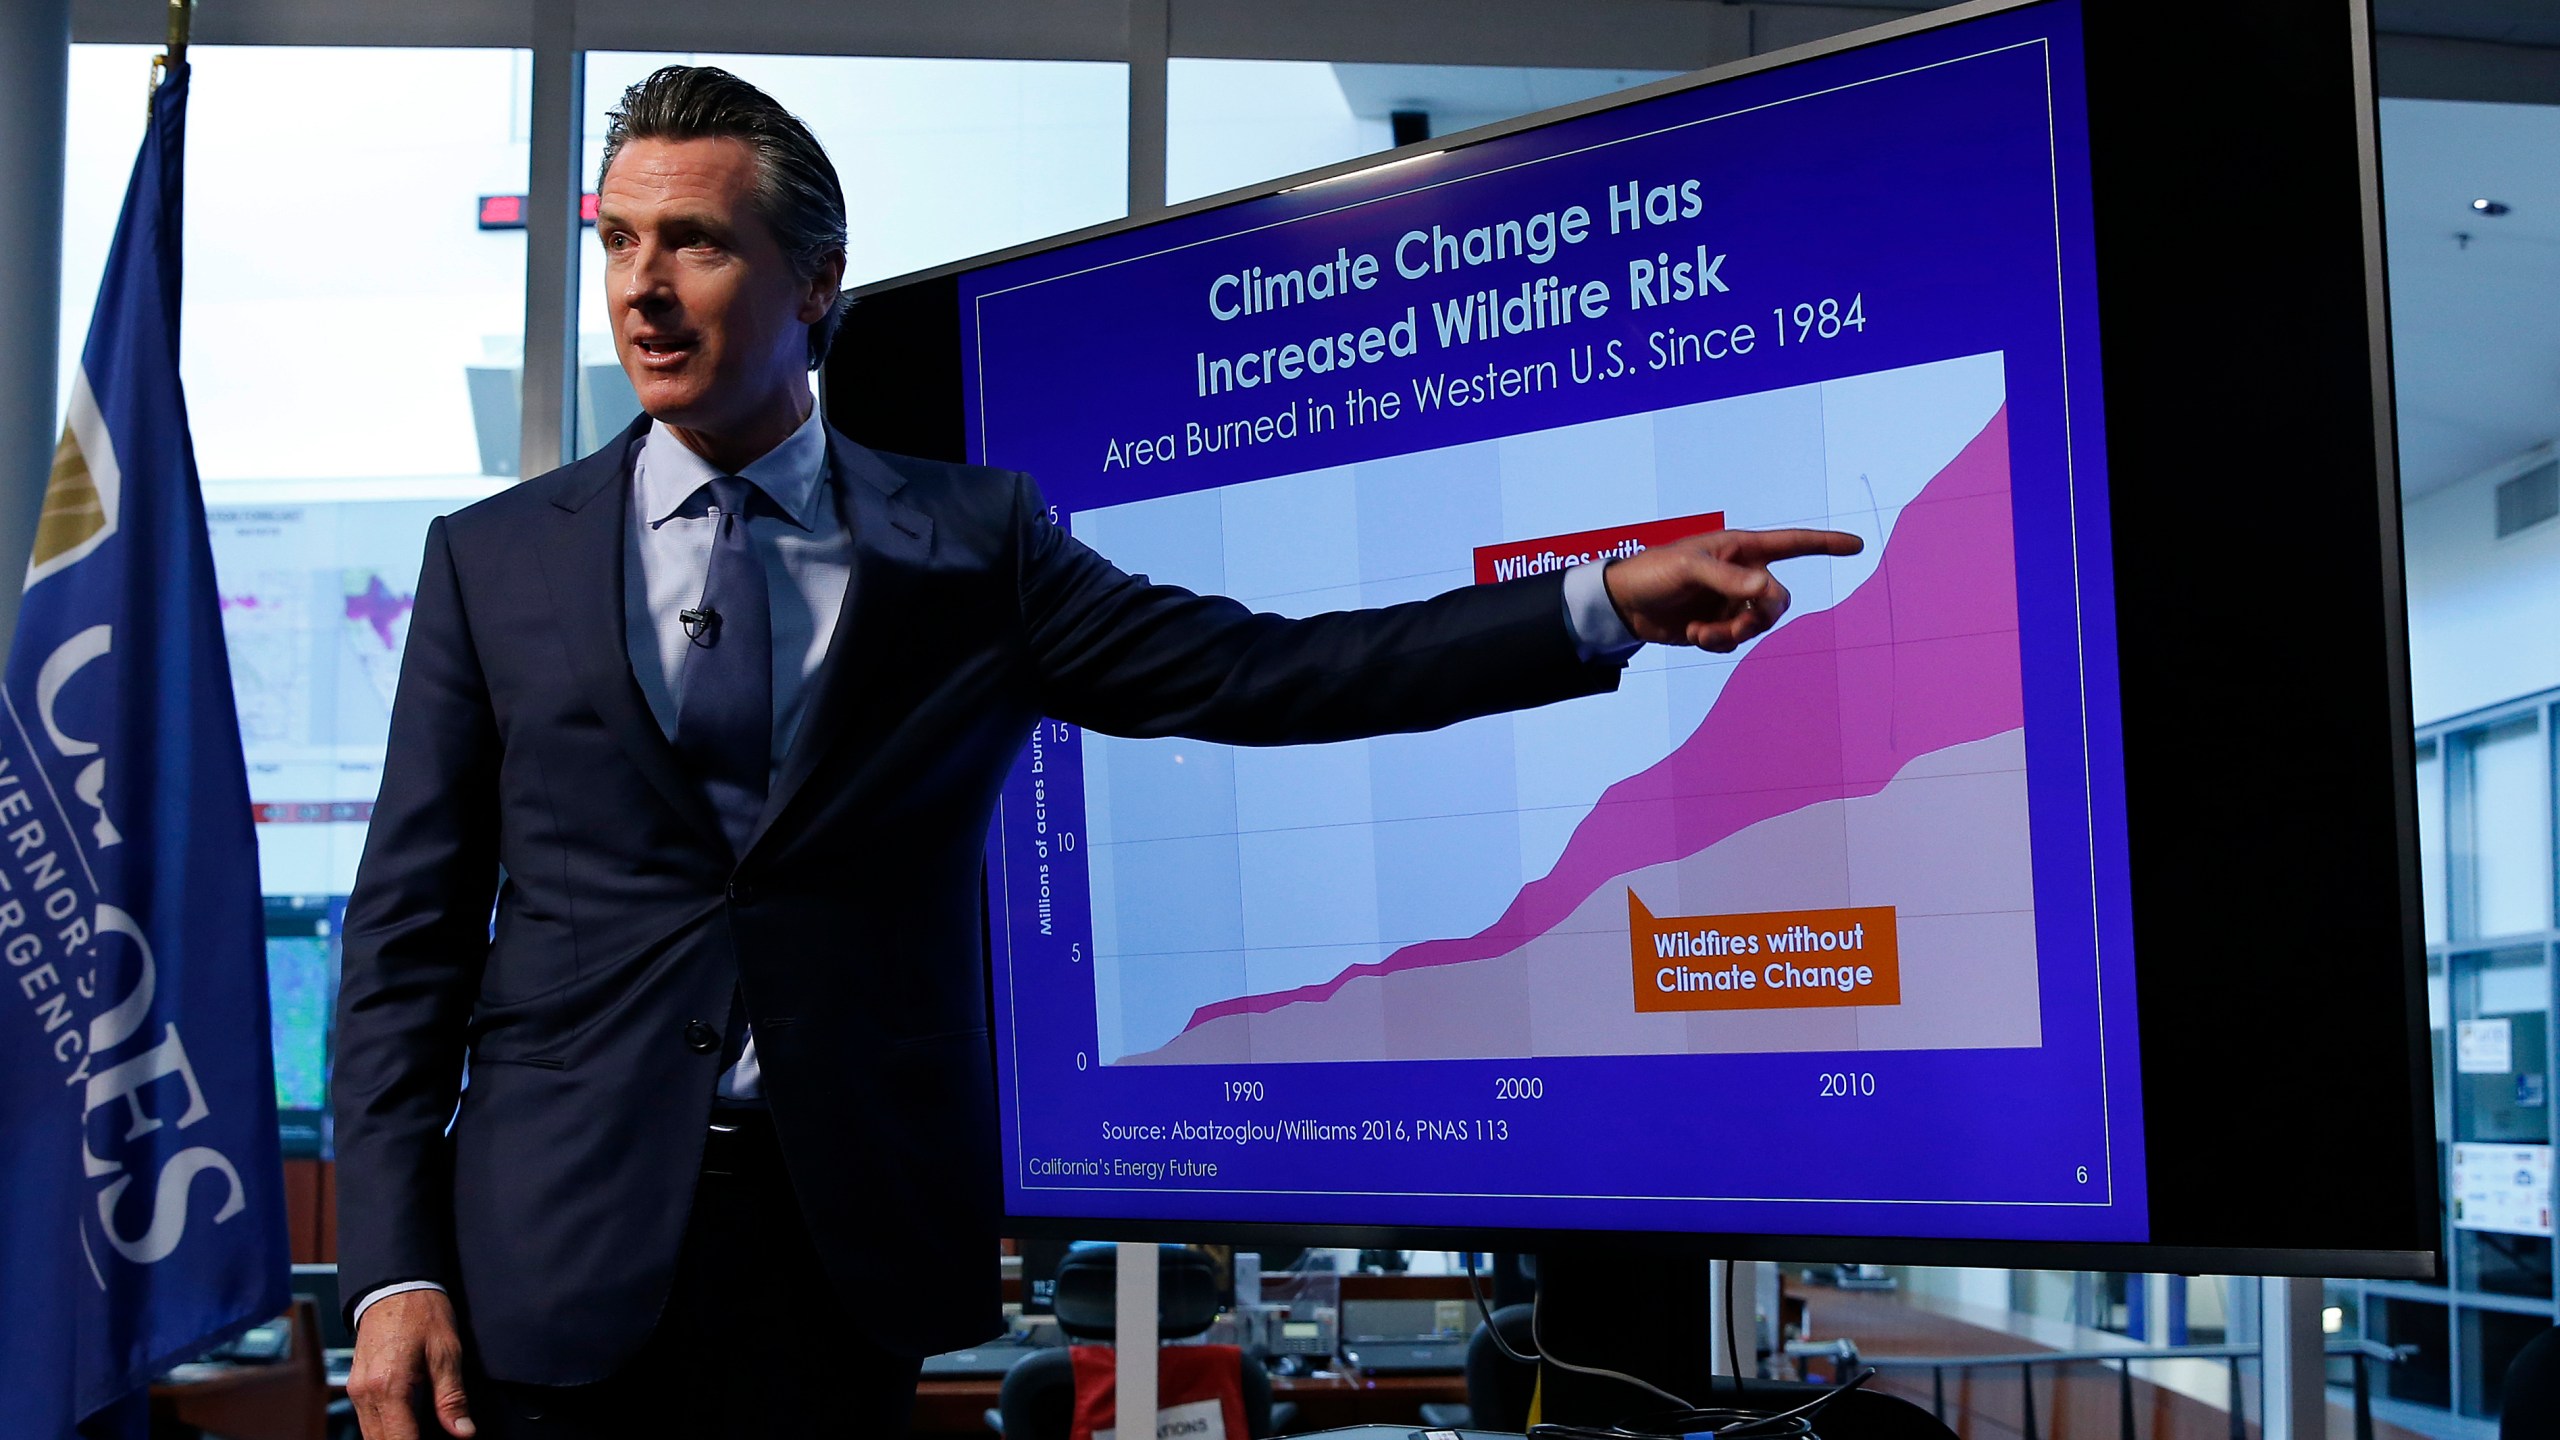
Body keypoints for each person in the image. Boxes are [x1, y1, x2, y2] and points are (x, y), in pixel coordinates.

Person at [335, 65, 1860, 1440]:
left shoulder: (970, 550)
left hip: (837, 1256)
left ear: (814, 283)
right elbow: (406, 941)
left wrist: (1595, 602)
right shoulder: (491, 564)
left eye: (697, 245)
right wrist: (390, 1268)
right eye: (619, 241)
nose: (643, 290)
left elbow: (1276, 669)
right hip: (542, 1255)